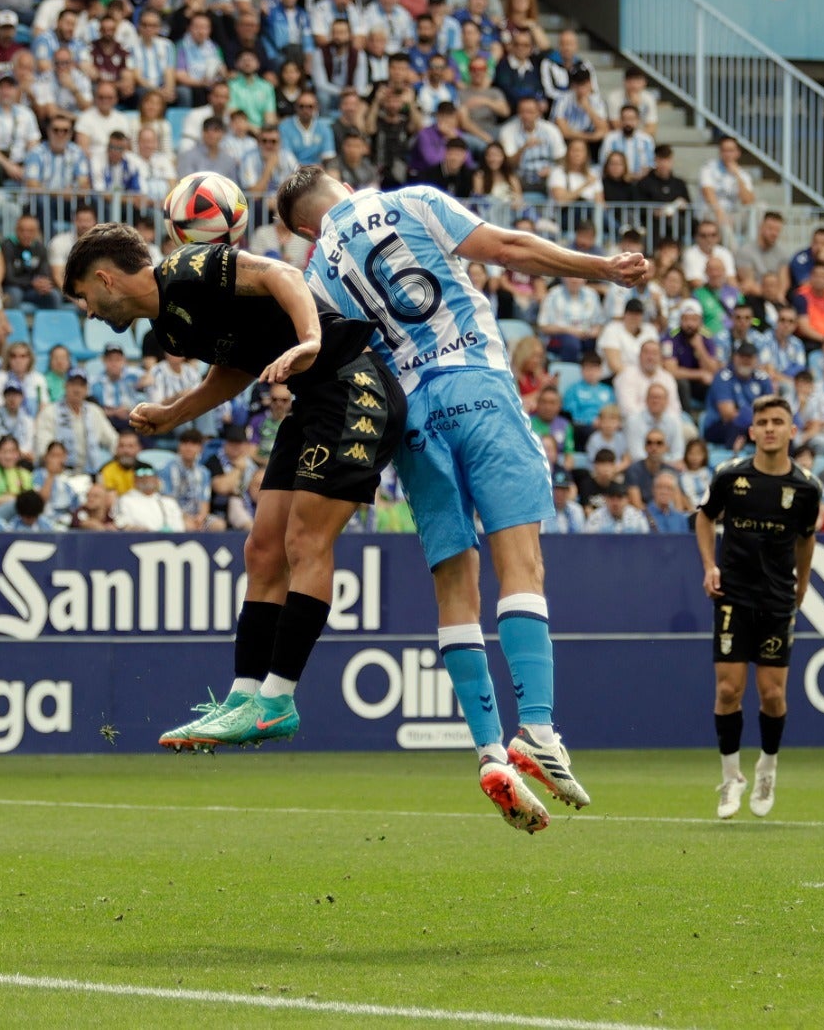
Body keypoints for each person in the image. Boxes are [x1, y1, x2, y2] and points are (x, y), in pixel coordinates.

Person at [278, 166, 651, 831]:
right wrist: (602, 269)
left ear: (305, 226)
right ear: (338, 182)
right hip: (474, 380)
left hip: (410, 419)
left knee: (455, 582)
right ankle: (534, 728)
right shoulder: (412, 202)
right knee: (522, 563)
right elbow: (509, 249)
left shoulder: (314, 279)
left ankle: (488, 750)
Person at [63, 222, 405, 751]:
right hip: (312, 402)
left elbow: (282, 273)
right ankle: (245, 698)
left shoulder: (187, 268)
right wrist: (175, 412)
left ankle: (277, 701)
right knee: (263, 549)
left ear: (105, 279)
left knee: (304, 543)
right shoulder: (171, 331)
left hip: (351, 386)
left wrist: (311, 338)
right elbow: (237, 368)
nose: (88, 312)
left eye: (85, 297)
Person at [696, 395, 824, 819]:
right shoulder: (730, 477)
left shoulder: (807, 488)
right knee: (728, 689)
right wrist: (710, 566)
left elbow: (806, 539)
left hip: (776, 598)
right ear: (752, 431)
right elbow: (703, 517)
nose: (770, 428)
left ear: (792, 430)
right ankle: (731, 778)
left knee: (772, 695)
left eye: (778, 422)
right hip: (733, 594)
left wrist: (801, 588)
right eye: (762, 422)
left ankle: (767, 765)